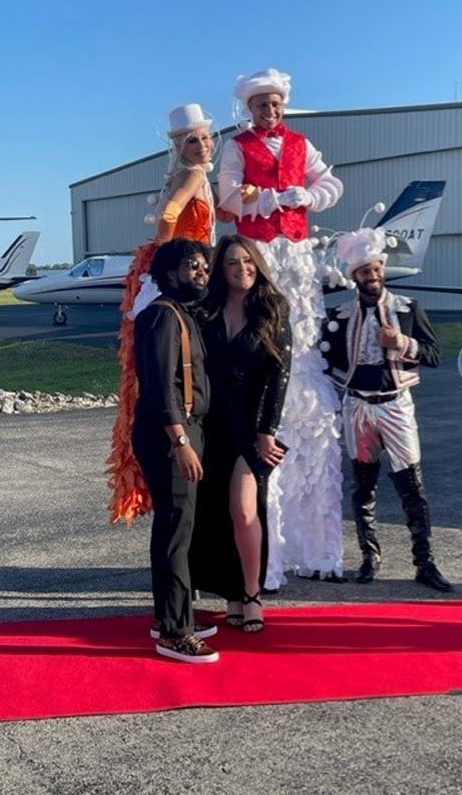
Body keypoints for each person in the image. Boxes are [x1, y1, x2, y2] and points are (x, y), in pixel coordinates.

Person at [218, 68, 345, 589]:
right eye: (261, 105)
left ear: (283, 106)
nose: (269, 112)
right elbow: (227, 199)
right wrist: (262, 201)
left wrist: (304, 197)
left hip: (295, 252)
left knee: (301, 328)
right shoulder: (236, 146)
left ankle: (314, 548)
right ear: (250, 109)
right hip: (257, 252)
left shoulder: (300, 143)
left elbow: (330, 184)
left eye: (275, 104)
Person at [321, 227, 453, 592]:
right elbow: (323, 362)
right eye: (365, 271)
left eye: (377, 269)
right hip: (358, 406)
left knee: (412, 485)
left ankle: (424, 563)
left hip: (396, 406)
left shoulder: (408, 309)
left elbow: (435, 355)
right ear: (354, 276)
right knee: (363, 485)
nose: (373, 276)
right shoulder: (341, 316)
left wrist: (402, 343)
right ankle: (369, 557)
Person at [107, 103, 217, 525]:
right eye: (194, 141)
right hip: (181, 268)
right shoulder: (191, 175)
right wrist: (170, 254)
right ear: (180, 146)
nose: (203, 146)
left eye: (206, 138)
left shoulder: (194, 175)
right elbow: (170, 214)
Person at [190, 235, 291, 631]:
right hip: (211, 425)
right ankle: (231, 593)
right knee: (216, 511)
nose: (242, 269)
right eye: (232, 263)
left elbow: (281, 374)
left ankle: (252, 594)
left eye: (248, 261)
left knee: (245, 509)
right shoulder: (207, 309)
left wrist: (269, 430)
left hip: (252, 430)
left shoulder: (273, 307)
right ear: (221, 269)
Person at [131, 237, 220, 663]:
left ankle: (171, 615)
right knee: (174, 531)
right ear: (169, 273)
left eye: (204, 267)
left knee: (177, 528)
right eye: (192, 267)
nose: (201, 273)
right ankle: (174, 632)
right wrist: (181, 442)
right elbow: (161, 388)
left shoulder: (181, 314)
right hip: (171, 435)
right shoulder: (162, 317)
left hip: (182, 431)